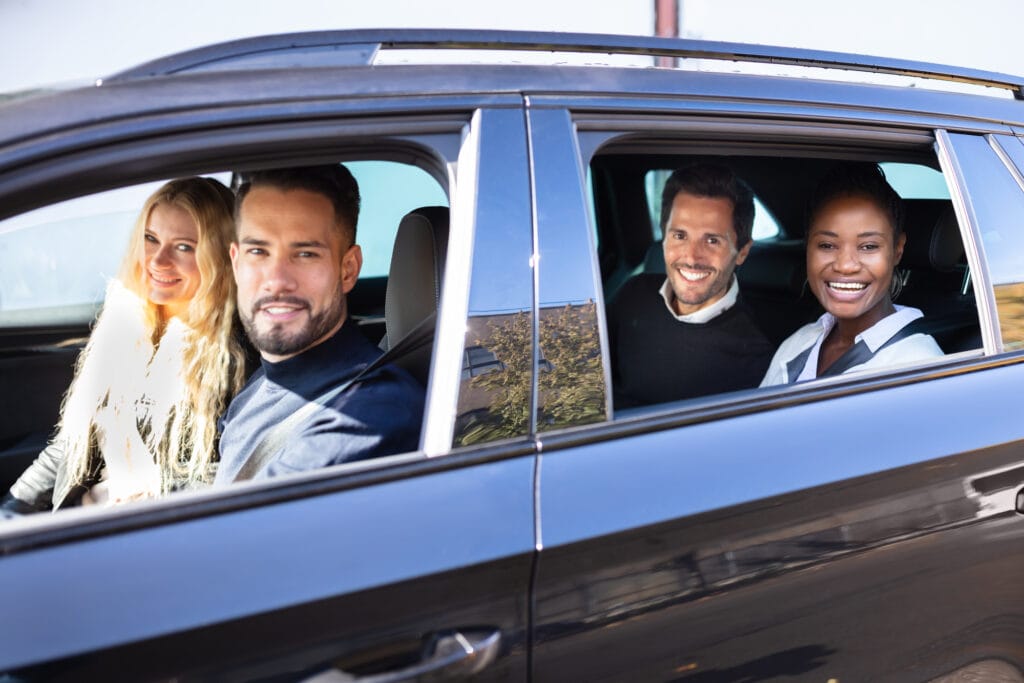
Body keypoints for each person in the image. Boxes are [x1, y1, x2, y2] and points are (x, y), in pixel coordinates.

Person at [1, 177, 247, 514]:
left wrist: (125, 494)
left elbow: (230, 476)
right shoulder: (127, 325)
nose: (158, 260)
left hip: (142, 527)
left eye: (184, 247)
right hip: (83, 516)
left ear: (218, 256)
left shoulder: (234, 358)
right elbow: (70, 446)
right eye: (151, 239)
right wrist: (11, 511)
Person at [214, 164, 424, 483]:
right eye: (258, 251)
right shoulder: (260, 384)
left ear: (348, 269)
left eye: (305, 254)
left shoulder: (371, 413)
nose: (277, 280)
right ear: (236, 262)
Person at [761, 163, 943, 386]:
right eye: (827, 245)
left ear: (897, 250)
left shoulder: (918, 368)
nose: (846, 266)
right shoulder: (799, 342)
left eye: (868, 246)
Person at [609, 163, 774, 407]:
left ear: (742, 252)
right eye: (680, 236)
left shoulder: (755, 360)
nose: (691, 257)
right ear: (664, 238)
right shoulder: (633, 294)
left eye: (712, 240)